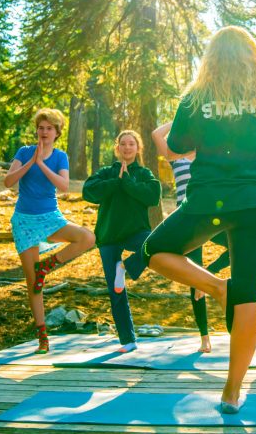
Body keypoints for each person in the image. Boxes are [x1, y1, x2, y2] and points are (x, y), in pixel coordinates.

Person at [143, 26, 256, 413]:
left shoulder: (195, 98)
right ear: (252, 55)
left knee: (155, 250)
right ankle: (231, 390)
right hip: (255, 203)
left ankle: (215, 288)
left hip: (208, 201)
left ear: (210, 58)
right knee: (248, 291)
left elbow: (176, 148)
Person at [4, 108, 95, 354]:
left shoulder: (60, 156)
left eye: (49, 129)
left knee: (87, 237)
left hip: (50, 217)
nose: (44, 132)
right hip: (24, 219)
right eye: (41, 128)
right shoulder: (24, 152)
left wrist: (42, 164)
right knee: (33, 283)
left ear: (57, 133)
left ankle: (48, 266)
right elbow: (8, 181)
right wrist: (31, 162)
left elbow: (64, 186)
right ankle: (42, 337)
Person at [152, 122, 230, 354]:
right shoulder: (177, 159)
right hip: (187, 221)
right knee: (195, 283)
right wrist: (180, 120)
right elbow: (157, 134)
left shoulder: (210, 157)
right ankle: (204, 336)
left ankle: (211, 275)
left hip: (213, 218)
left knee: (239, 246)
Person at [83, 130, 162, 353]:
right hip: (109, 236)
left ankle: (127, 266)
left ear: (138, 149)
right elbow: (88, 191)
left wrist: (126, 181)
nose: (127, 148)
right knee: (116, 290)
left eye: (132, 144)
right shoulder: (107, 172)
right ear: (117, 148)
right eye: (123, 144)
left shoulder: (143, 173)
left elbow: (153, 196)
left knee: (154, 244)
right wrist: (115, 181)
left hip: (136, 232)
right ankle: (128, 340)